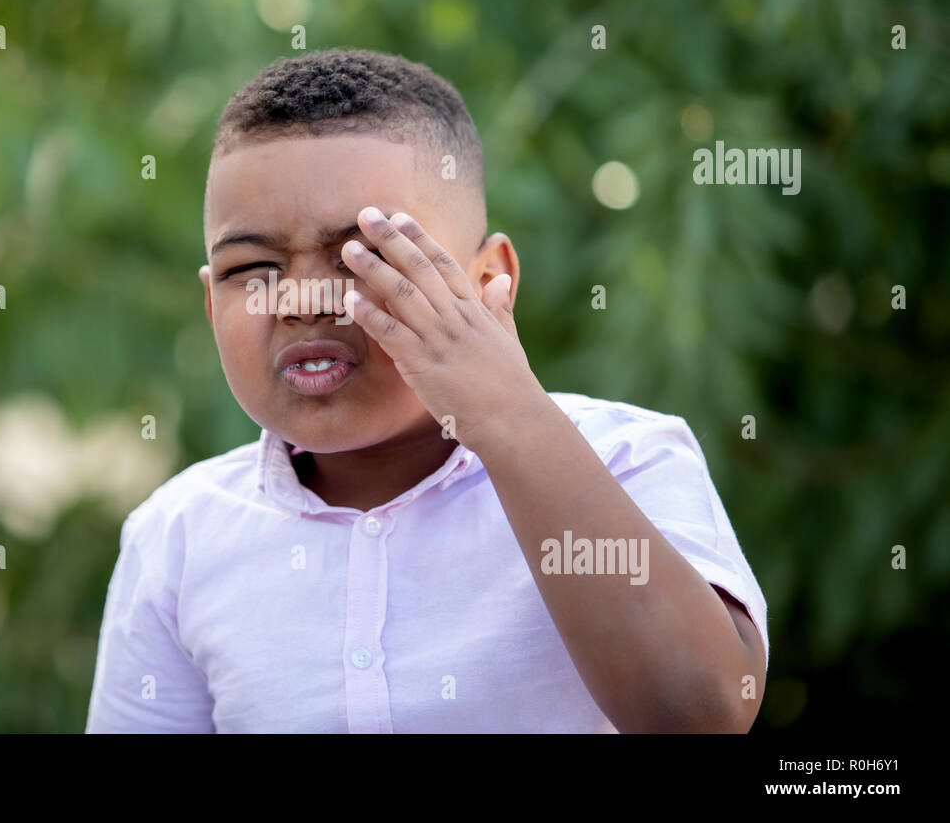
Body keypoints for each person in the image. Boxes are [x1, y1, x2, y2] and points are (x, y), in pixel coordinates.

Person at [85, 48, 768, 733]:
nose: (300, 300)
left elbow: (702, 713)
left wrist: (507, 416)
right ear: (211, 307)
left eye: (367, 256)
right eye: (253, 268)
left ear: (486, 282)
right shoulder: (177, 538)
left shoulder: (628, 461)